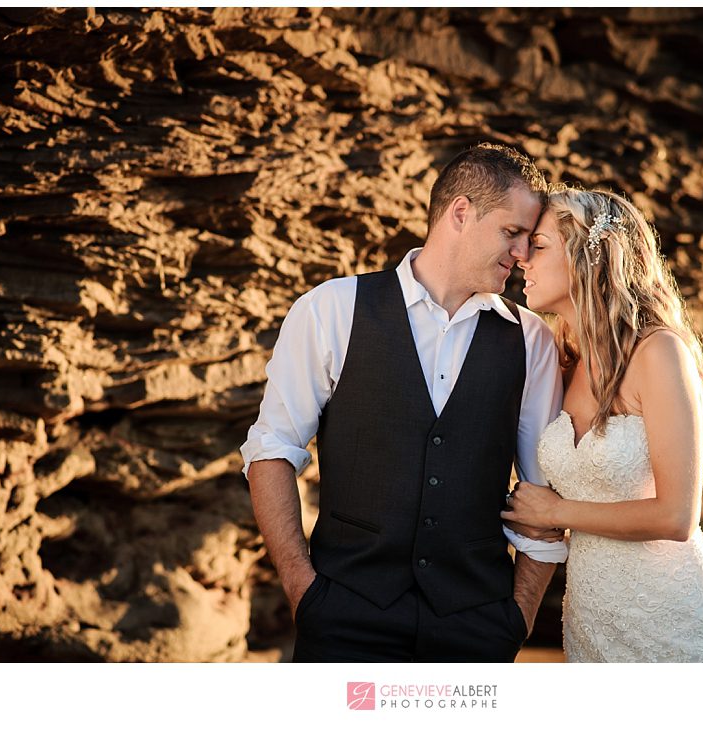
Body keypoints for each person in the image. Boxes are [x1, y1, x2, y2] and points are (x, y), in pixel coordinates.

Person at [240, 143, 567, 662]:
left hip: (475, 627)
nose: (523, 253)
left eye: (530, 239)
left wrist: (517, 617)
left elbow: (541, 493)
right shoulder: (332, 309)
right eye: (512, 232)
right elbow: (271, 451)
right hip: (344, 620)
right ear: (460, 213)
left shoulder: (531, 341)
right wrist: (304, 592)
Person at [502, 185, 703, 662]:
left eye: (540, 244)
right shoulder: (561, 359)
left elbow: (676, 517)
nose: (523, 258)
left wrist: (554, 513)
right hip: (590, 619)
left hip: (669, 620)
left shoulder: (658, 352)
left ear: (590, 257)